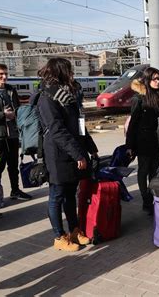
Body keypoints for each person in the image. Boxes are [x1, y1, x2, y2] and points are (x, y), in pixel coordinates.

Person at [37, 58, 98, 252]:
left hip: (74, 151)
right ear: (60, 72)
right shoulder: (47, 98)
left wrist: (91, 147)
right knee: (57, 195)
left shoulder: (69, 96)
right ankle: (58, 236)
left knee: (71, 194)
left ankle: (74, 230)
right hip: (58, 154)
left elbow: (79, 125)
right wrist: (78, 154)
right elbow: (57, 130)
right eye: (69, 71)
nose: (72, 74)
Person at [126, 67, 159, 214]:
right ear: (147, 80)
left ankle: (152, 196)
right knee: (143, 170)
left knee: (154, 171)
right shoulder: (139, 98)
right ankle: (146, 200)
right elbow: (133, 123)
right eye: (154, 79)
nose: (157, 82)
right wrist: (129, 145)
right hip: (143, 140)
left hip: (158, 140)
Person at [0, 63, 32, 200]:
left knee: (13, 166)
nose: (4, 76)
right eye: (1, 74)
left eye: (6, 74)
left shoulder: (11, 90)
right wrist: (3, 115)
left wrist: (19, 113)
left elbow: (18, 108)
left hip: (13, 135)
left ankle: (15, 190)